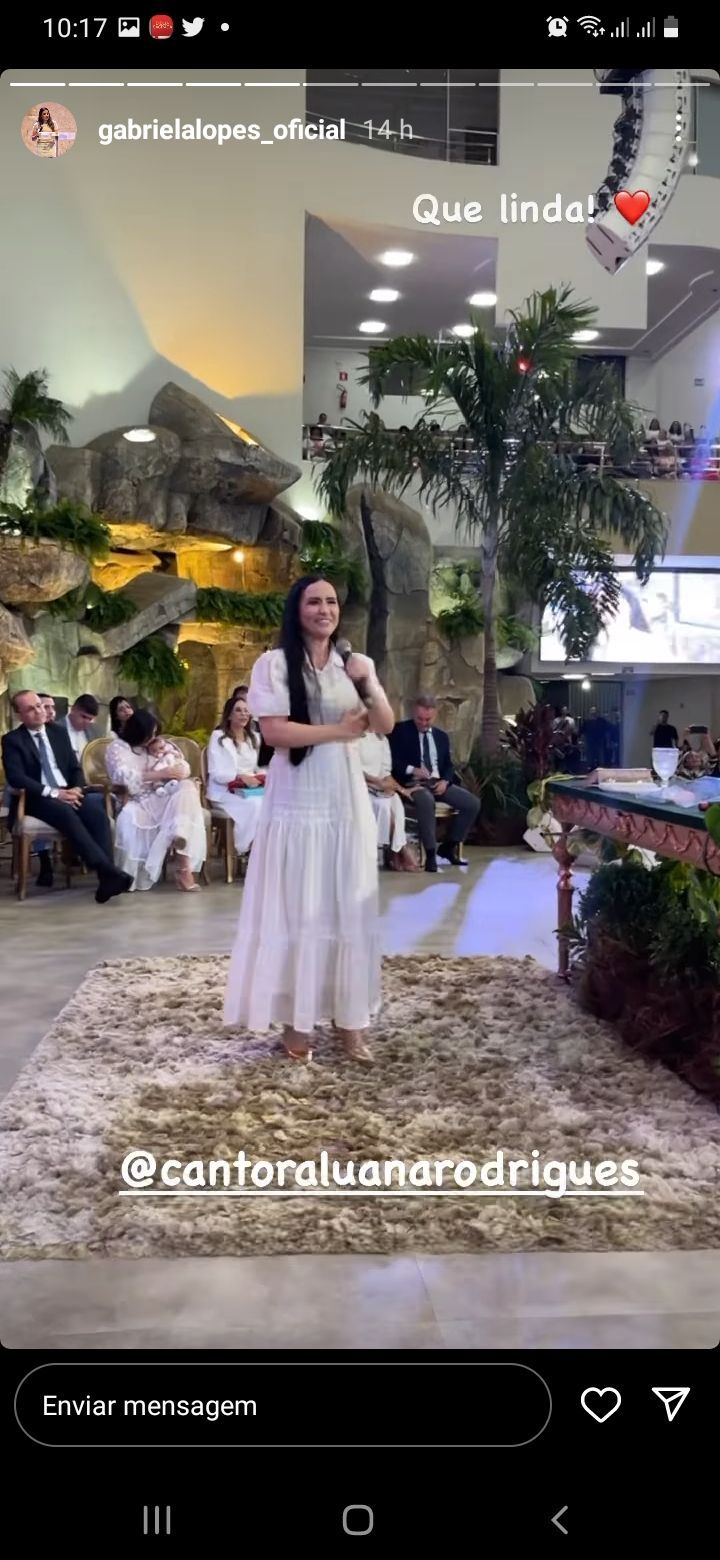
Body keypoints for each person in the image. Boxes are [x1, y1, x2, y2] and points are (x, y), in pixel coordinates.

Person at [223, 574, 394, 1064]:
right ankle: (297, 1024)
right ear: (297, 610)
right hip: (297, 797)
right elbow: (276, 733)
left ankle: (350, 1023)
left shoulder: (354, 665)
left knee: (346, 905)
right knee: (297, 906)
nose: (325, 610)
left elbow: (384, 725)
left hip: (344, 798)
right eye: (314, 601)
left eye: (332, 601)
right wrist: (338, 730)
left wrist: (367, 682)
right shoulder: (274, 664)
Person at [1, 690, 132, 901]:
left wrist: (77, 789)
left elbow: (75, 769)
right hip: (37, 798)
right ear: (19, 715)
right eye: (31, 709)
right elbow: (16, 777)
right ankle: (108, 870)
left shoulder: (58, 732)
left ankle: (106, 880)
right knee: (65, 812)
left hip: (68, 792)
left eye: (39, 705)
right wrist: (55, 793)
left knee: (96, 812)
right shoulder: (12, 740)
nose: (39, 711)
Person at [105, 710, 207, 891]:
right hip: (137, 799)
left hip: (164, 795)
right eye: (149, 734)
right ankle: (183, 866)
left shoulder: (159, 744)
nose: (152, 738)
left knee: (187, 787)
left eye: (154, 733)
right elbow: (121, 776)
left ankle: (183, 859)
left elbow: (183, 765)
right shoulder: (118, 748)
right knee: (129, 819)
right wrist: (160, 774)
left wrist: (177, 770)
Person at [389, 695, 481, 872]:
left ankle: (448, 847)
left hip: (437, 782)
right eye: (420, 719)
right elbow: (391, 761)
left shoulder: (441, 736)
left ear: (435, 715)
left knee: (472, 803)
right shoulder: (400, 731)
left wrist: (445, 781)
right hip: (413, 784)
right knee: (426, 800)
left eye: (428, 719)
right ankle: (431, 854)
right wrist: (412, 769)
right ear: (414, 713)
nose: (424, 723)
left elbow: (448, 765)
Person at [206, 694, 267, 858]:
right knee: (255, 805)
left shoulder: (255, 738)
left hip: (253, 788)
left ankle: (265, 848)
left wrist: (259, 778)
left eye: (246, 711)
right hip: (225, 790)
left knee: (272, 802)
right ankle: (247, 848)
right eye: (238, 710)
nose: (243, 714)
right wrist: (240, 777)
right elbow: (216, 773)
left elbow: (262, 767)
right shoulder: (219, 737)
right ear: (229, 715)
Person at [357, 727, 420, 871]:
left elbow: (386, 773)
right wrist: (377, 783)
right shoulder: (354, 738)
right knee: (384, 806)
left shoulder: (381, 739)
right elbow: (354, 768)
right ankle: (400, 850)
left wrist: (402, 790)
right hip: (359, 786)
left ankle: (394, 853)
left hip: (379, 786)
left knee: (394, 801)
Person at [63, 693, 99, 758]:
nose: (86, 722)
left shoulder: (92, 731)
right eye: (84, 717)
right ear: (73, 709)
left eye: (90, 719)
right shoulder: (54, 730)